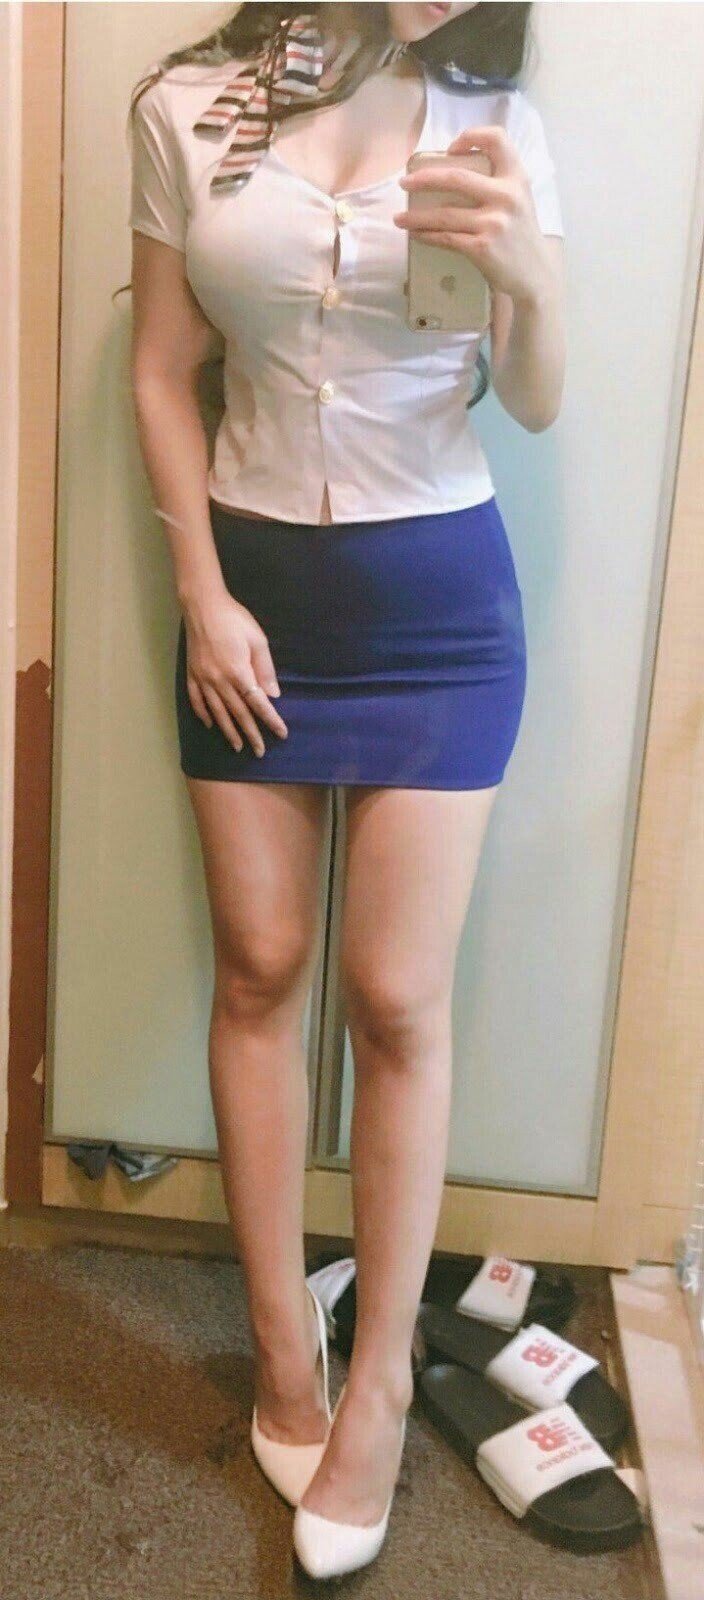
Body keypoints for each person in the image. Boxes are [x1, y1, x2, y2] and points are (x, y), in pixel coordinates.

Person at [128, 0, 565, 1577]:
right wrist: (202, 597)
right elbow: (162, 370)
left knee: (395, 999)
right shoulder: (190, 108)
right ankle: (284, 1351)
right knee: (260, 966)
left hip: (441, 608)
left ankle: (379, 1384)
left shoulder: (496, 122)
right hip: (251, 598)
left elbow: (537, 399)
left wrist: (529, 277)